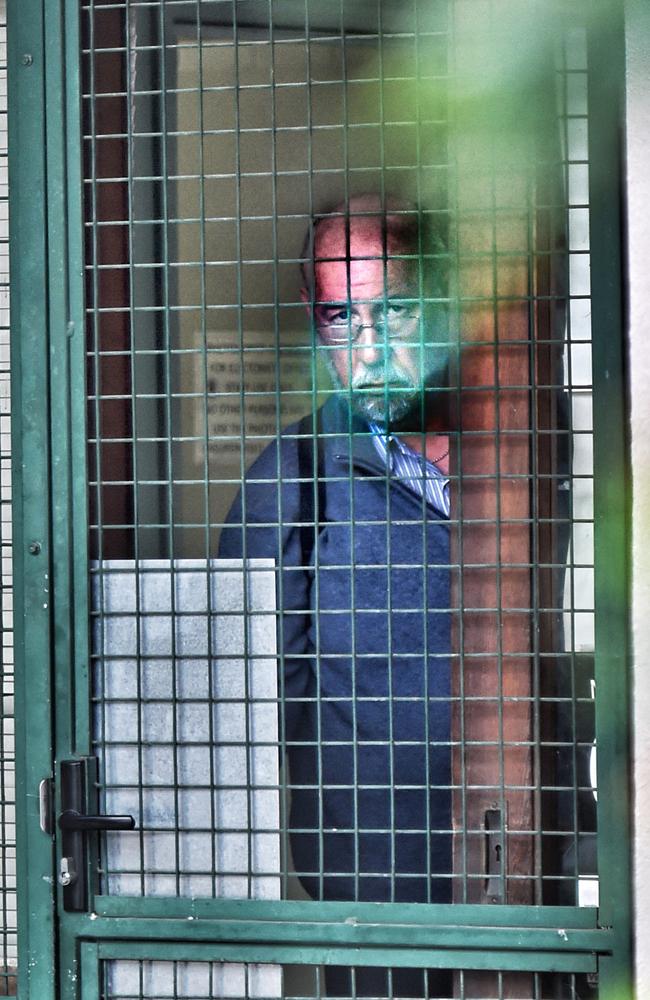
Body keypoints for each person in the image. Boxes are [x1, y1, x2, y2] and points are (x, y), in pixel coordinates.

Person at [219, 194, 453, 997]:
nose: (371, 348)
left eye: (394, 311)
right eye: (340, 319)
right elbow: (246, 709)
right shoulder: (286, 484)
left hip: (529, 852)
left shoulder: (534, 447)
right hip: (373, 887)